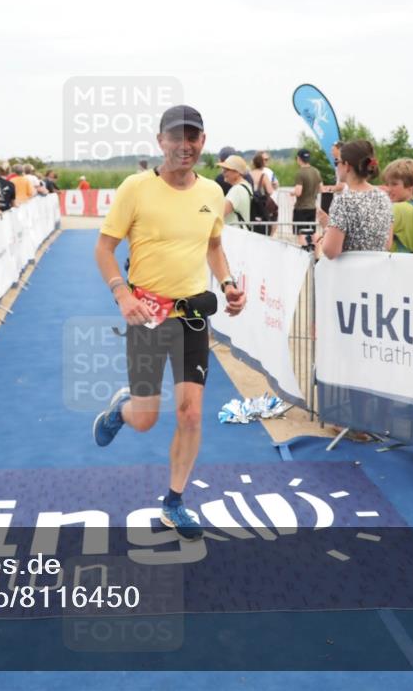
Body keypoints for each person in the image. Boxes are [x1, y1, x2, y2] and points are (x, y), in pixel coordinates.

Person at [92, 104, 246, 541]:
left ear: (203, 139)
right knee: (146, 419)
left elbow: (214, 246)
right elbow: (104, 249)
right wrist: (122, 294)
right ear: (160, 141)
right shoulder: (136, 188)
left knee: (191, 413)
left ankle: (174, 502)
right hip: (146, 315)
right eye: (176, 137)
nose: (186, 145)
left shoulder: (214, 194)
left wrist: (229, 282)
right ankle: (124, 409)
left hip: (192, 316)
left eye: (193, 137)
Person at [313, 140, 392, 259]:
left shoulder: (344, 200)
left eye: (337, 161)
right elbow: (387, 244)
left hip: (350, 273)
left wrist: (327, 227)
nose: (336, 166)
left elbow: (331, 251)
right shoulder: (383, 197)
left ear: (347, 166)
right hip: (377, 272)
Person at [383, 158, 413, 253]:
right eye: (387, 184)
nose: (389, 189)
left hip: (396, 264)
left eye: (394, 184)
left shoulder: (397, 209)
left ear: (411, 185)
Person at [291, 148, 322, 237]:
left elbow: (298, 192)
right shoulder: (316, 171)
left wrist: (292, 193)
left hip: (301, 208)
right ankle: (316, 250)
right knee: (312, 233)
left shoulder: (300, 173)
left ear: (298, 159)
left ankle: (304, 249)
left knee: (300, 233)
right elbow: (321, 188)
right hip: (312, 207)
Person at [219, 154, 254, 225]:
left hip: (234, 233)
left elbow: (220, 213)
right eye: (223, 169)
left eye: (227, 169)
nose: (223, 172)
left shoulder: (237, 190)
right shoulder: (246, 186)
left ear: (237, 172)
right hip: (241, 232)